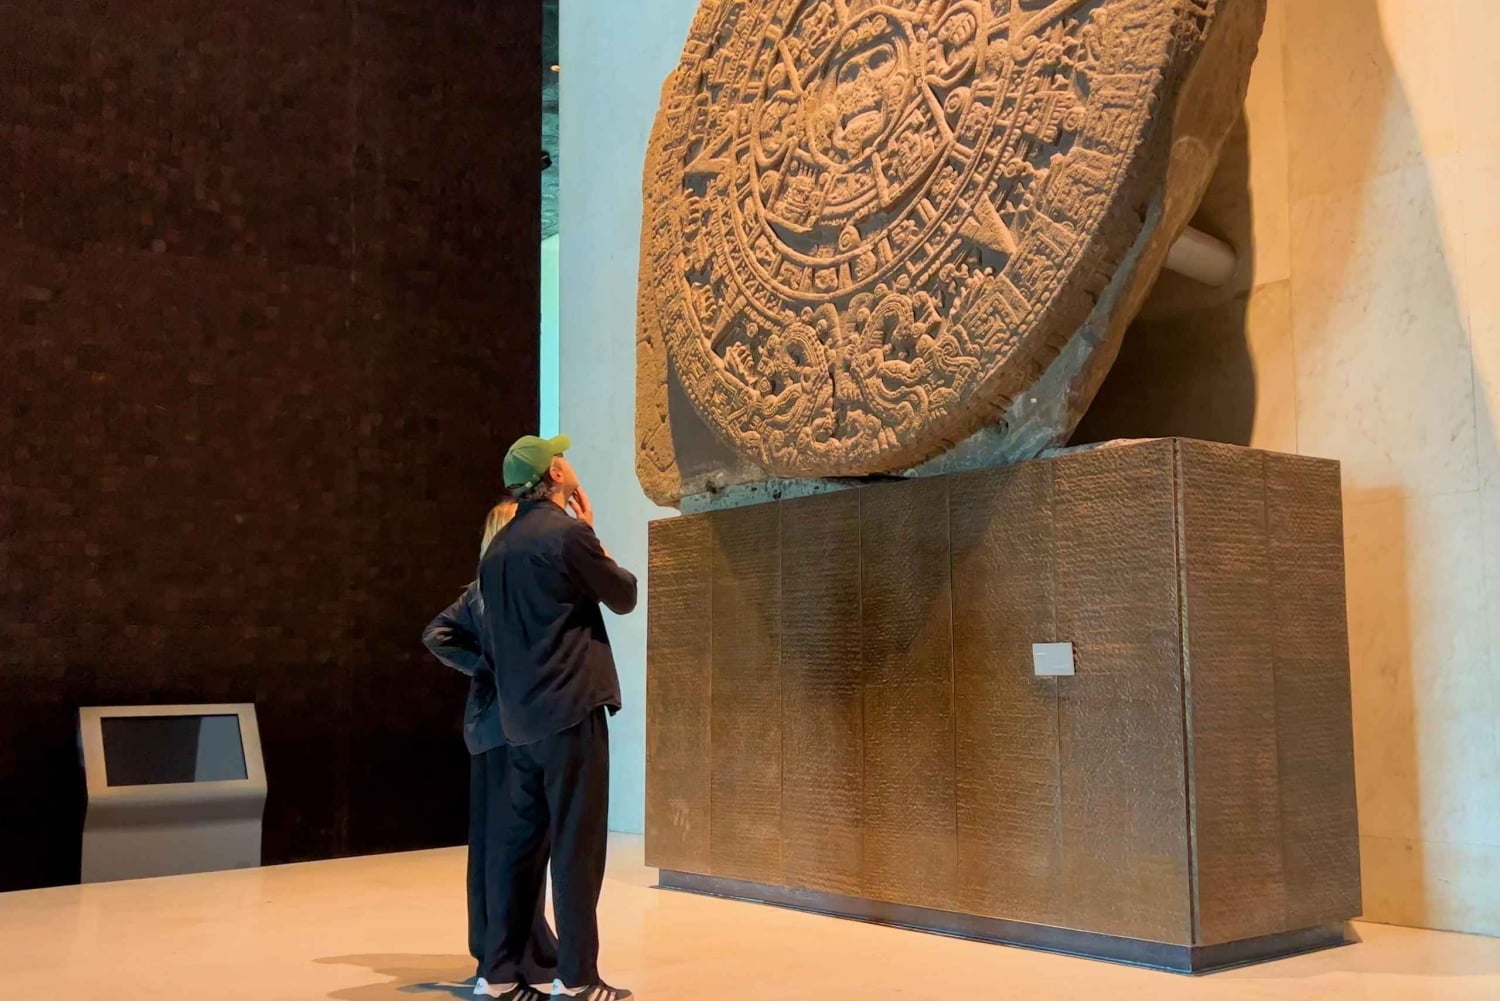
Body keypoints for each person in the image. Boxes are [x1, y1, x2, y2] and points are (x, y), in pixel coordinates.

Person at [475, 434, 637, 1001]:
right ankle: (578, 978)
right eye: (562, 459)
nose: (569, 464)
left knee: (520, 850)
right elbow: (623, 595)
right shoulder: (568, 537)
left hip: (520, 721)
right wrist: (590, 531)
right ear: (555, 474)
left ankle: (498, 975)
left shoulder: (496, 552)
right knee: (576, 847)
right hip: (570, 712)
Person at [422, 500, 559, 992]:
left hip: (488, 733)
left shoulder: (482, 591)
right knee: (517, 844)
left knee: (494, 845)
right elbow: (436, 635)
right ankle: (516, 950)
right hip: (511, 730)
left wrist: (481, 664)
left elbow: (436, 633)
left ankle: (500, 945)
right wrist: (491, 666)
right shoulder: (502, 591)